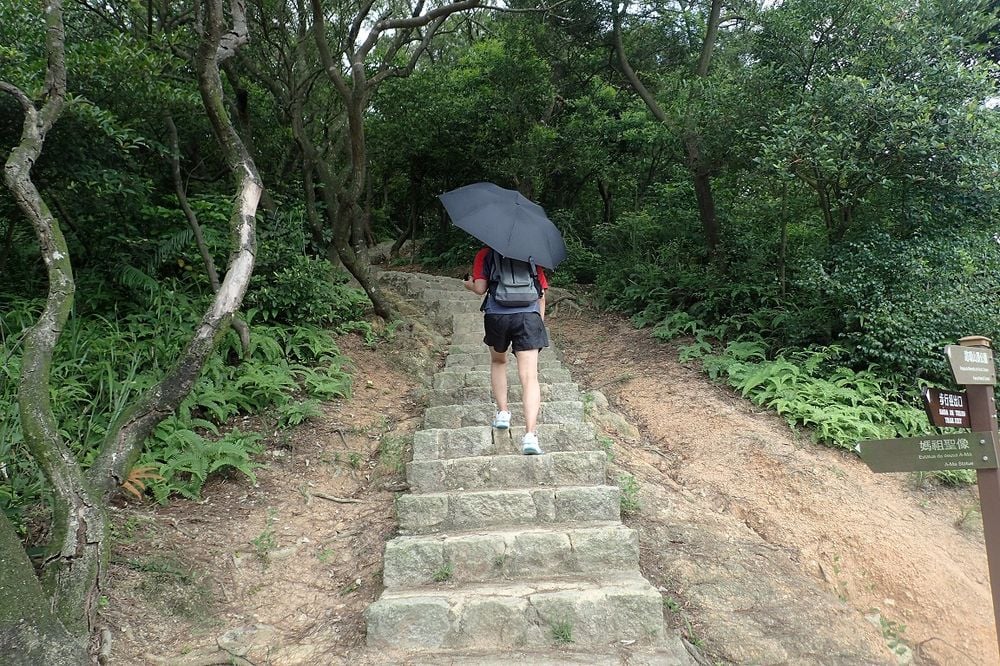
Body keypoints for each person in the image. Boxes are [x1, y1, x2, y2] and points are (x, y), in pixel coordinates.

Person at [463, 247, 549, 455]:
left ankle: (503, 413)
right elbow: (541, 292)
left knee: (499, 361)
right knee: (530, 377)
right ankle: (530, 435)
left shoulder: (486, 253)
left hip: (497, 316)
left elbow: (481, 288)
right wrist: (539, 322)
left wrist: (468, 284)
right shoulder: (531, 253)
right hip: (528, 317)